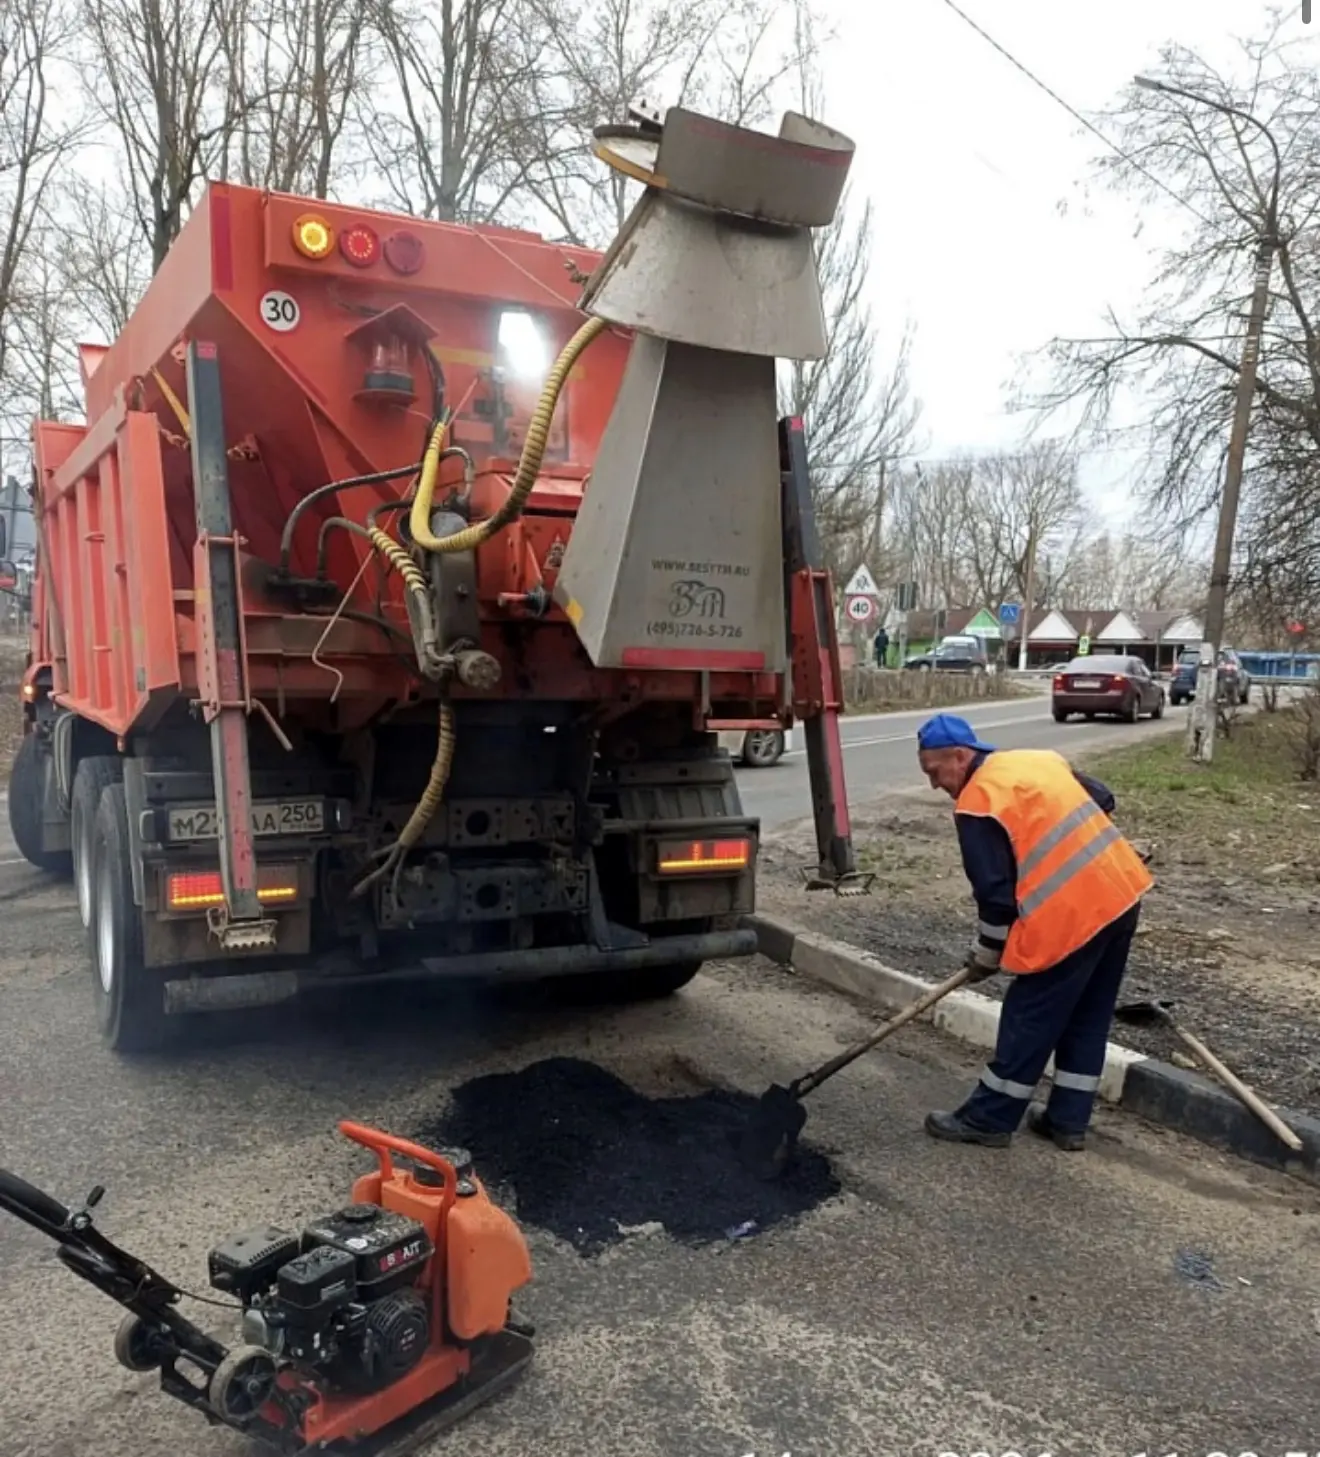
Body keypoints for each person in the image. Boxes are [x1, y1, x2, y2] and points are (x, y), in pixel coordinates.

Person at [914, 712, 1153, 1151]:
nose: (934, 784)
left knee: (1030, 1016)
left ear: (960, 756)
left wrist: (988, 951)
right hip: (1121, 895)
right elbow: (1103, 796)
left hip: (1072, 917)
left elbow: (996, 894)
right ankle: (1067, 1121)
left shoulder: (978, 802)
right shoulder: (1036, 761)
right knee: (1087, 1014)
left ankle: (989, 1119)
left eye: (935, 771)